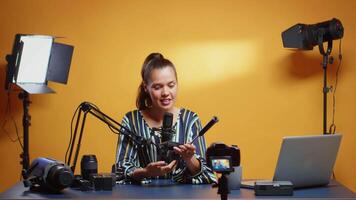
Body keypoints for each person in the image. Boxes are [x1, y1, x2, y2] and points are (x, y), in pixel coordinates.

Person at [115, 53, 216, 184]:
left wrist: (189, 159)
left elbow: (208, 176)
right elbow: (120, 172)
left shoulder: (191, 119)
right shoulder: (131, 120)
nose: (166, 93)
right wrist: (146, 172)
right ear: (146, 87)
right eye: (158, 87)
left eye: (171, 85)